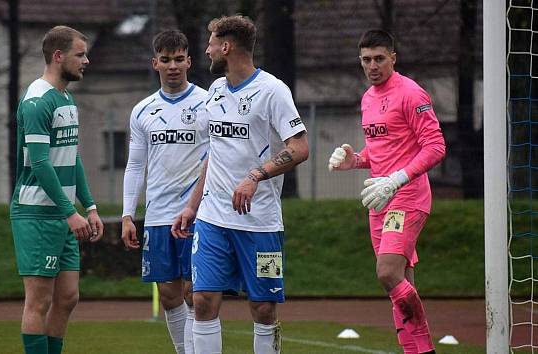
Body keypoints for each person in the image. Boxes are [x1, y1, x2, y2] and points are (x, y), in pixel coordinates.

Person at [172, 15, 309, 354]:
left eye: (211, 43)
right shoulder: (215, 91)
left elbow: (300, 148)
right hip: (213, 217)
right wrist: (192, 205)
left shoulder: (273, 91)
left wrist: (254, 176)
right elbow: (213, 155)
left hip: (260, 222)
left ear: (226, 46)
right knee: (201, 299)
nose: (206, 50)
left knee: (263, 308)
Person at [328, 29, 445, 354]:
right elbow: (380, 152)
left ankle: (426, 350)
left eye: (379, 58)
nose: (372, 65)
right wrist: (355, 160)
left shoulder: (412, 94)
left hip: (406, 197)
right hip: (378, 199)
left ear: (393, 57)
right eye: (366, 60)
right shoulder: (368, 98)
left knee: (388, 273)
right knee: (401, 281)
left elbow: (435, 147)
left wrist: (397, 179)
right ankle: (416, 351)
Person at [9, 25, 104, 354]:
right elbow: (39, 164)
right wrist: (70, 212)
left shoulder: (66, 99)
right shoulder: (37, 101)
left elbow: (70, 157)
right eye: (80, 54)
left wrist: (89, 207)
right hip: (36, 213)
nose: (86, 61)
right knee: (39, 301)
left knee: (67, 298)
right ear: (58, 56)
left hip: (64, 216)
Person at [121, 29, 209, 354]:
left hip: (197, 213)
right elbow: (134, 166)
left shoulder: (207, 103)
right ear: (154, 63)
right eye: (166, 59)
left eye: (179, 59)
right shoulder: (142, 111)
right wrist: (128, 214)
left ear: (189, 60)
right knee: (170, 295)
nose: (173, 66)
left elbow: (217, 158)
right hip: (157, 215)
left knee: (195, 293)